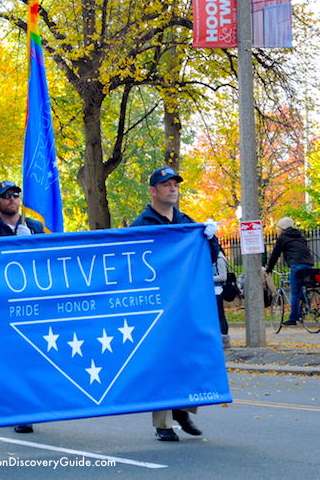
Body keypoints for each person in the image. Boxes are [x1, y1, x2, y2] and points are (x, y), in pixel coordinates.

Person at [129, 166, 218, 442]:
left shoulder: (185, 221)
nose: (173, 188)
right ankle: (163, 423)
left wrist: (211, 238)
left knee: (185, 357)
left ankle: (181, 407)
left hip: (183, 303)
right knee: (161, 360)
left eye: (175, 184)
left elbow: (209, 257)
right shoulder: (141, 224)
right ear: (153, 191)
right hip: (155, 303)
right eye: (166, 184)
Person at [0, 180, 42, 434]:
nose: (12, 199)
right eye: (6, 196)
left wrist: (31, 243)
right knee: (13, 358)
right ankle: (19, 410)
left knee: (32, 356)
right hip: (3, 305)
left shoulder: (34, 228)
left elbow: (49, 260)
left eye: (15, 195)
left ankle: (28, 405)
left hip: (32, 302)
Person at [265, 217, 315, 326]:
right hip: (309, 264)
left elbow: (275, 254)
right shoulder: (300, 236)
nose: (278, 229)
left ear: (282, 228)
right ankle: (305, 299)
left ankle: (293, 319)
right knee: (300, 288)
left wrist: (269, 269)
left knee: (294, 292)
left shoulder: (283, 238)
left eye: (278, 227)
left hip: (296, 265)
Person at [212, 246, 230, 349]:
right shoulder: (211, 258)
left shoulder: (219, 258)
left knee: (220, 315)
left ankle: (224, 338)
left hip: (218, 290)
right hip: (212, 290)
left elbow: (223, 276)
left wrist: (208, 278)